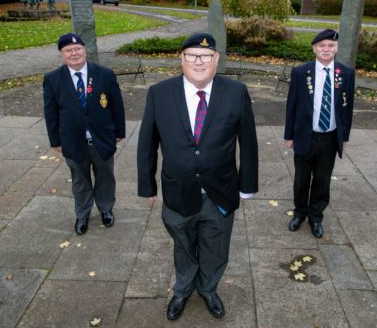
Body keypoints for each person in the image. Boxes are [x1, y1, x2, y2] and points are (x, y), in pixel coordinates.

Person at [137, 33, 258, 321]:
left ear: (216, 59)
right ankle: (182, 289)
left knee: (216, 245)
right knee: (183, 243)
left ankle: (207, 288)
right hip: (178, 190)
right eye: (191, 55)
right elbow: (147, 141)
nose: (198, 61)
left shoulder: (236, 92)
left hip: (220, 191)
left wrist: (248, 185)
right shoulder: (159, 93)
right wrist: (146, 183)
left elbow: (249, 143)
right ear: (181, 59)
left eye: (205, 56)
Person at [43, 33, 125, 235]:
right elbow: (50, 112)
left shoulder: (104, 74)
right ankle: (82, 214)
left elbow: (117, 105)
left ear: (84, 50)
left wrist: (119, 131)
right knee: (80, 179)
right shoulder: (53, 79)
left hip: (102, 139)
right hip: (71, 140)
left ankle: (106, 209)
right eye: (68, 50)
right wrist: (55, 140)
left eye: (78, 48)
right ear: (62, 54)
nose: (74, 53)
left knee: (106, 176)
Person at [284, 28, 355, 238]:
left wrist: (345, 135)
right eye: (322, 46)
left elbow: (347, 107)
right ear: (315, 48)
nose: (326, 49)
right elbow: (292, 106)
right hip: (305, 135)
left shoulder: (346, 73)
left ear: (336, 48)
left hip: (330, 137)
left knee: (322, 181)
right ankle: (299, 213)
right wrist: (289, 135)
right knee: (301, 179)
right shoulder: (301, 72)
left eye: (330, 46)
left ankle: (316, 217)